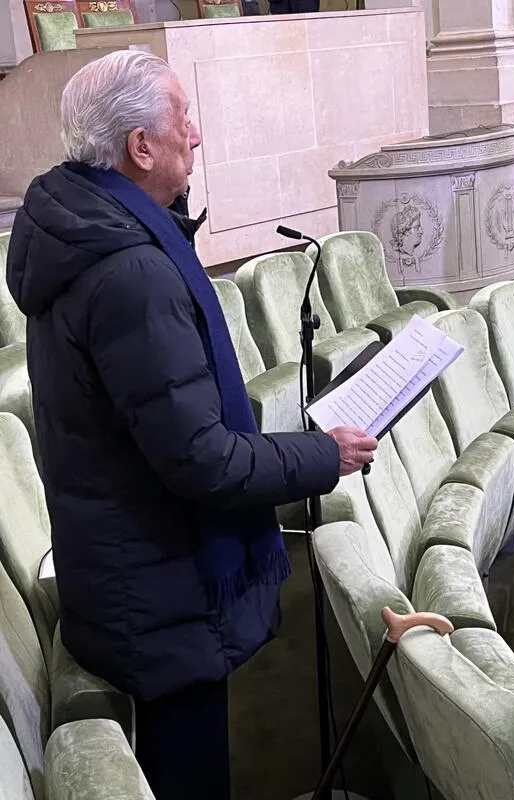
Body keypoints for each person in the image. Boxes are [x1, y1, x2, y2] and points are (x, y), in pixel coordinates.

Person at [6, 50, 377, 800]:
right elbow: (200, 458)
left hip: (129, 570)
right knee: (191, 776)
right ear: (141, 146)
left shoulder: (89, 233)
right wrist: (320, 455)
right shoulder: (130, 272)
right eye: (183, 120)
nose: (197, 136)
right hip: (156, 591)